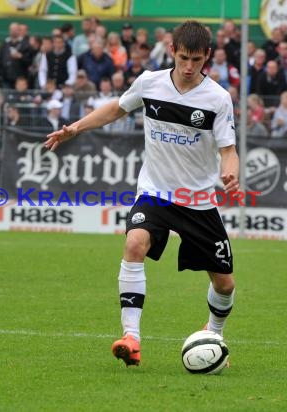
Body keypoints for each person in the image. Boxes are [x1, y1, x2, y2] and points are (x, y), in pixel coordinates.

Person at [46, 20, 239, 367]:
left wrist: (231, 172)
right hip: (155, 192)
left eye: (197, 60)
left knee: (224, 284)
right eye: (183, 58)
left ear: (207, 56)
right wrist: (75, 128)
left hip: (197, 200)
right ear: (172, 52)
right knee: (135, 243)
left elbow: (228, 149)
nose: (189, 66)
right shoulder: (150, 82)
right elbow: (116, 108)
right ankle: (131, 338)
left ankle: (214, 332)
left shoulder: (218, 98)